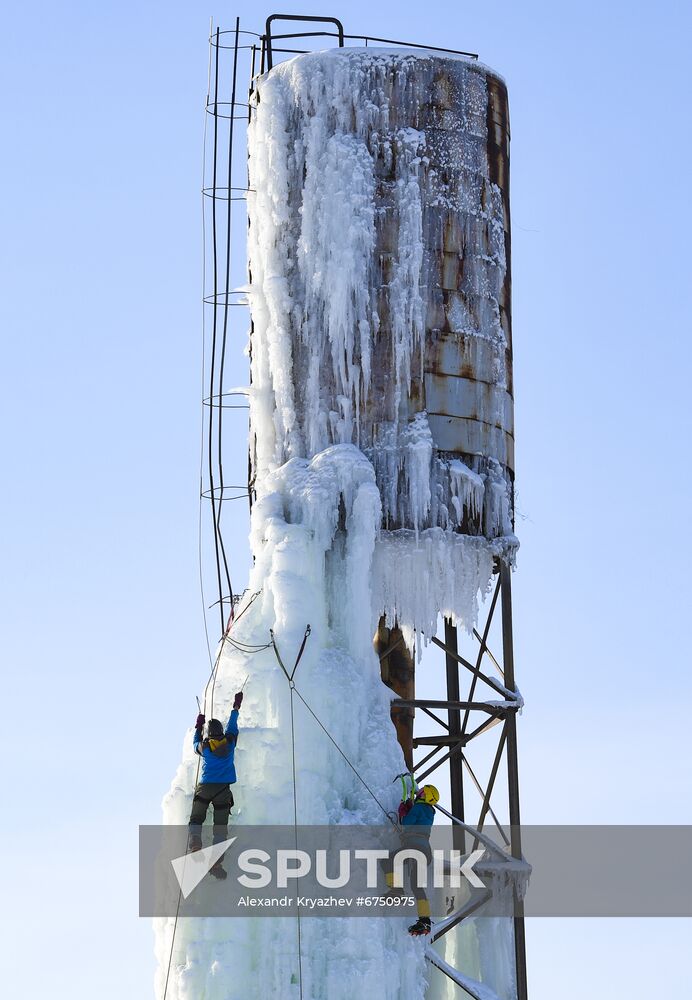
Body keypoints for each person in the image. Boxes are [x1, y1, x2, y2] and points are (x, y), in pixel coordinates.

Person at [187, 690, 243, 879]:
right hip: (222, 790)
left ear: (209, 734)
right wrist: (236, 706)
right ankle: (216, 863)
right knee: (220, 828)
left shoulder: (205, 747)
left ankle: (195, 843)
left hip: (205, 787)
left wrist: (198, 727)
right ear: (221, 731)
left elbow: (195, 744)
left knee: (196, 819)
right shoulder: (230, 742)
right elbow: (233, 724)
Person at [384, 783, 440, 935]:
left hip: (414, 847)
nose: (418, 794)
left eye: (420, 793)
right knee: (416, 886)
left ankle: (396, 890)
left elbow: (406, 823)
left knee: (388, 860)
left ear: (424, 795)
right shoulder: (429, 812)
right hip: (425, 852)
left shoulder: (418, 808)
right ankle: (425, 921)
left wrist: (403, 811)